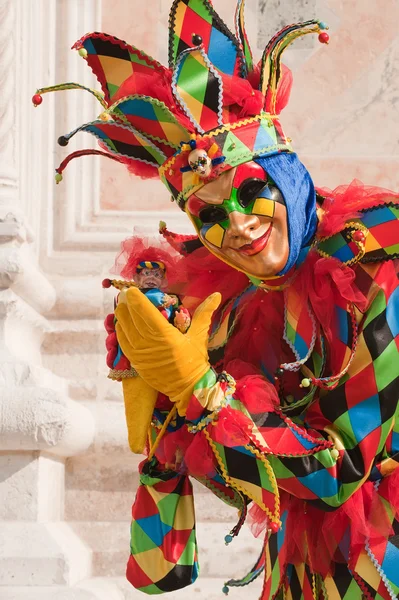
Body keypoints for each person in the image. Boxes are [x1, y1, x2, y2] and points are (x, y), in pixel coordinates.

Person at [34, 1, 399, 597]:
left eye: (251, 190)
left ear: (288, 176)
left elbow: (338, 473)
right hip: (303, 575)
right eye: (209, 213)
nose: (238, 225)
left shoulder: (382, 263)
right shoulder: (236, 303)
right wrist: (166, 414)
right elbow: (266, 481)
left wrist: (202, 389)